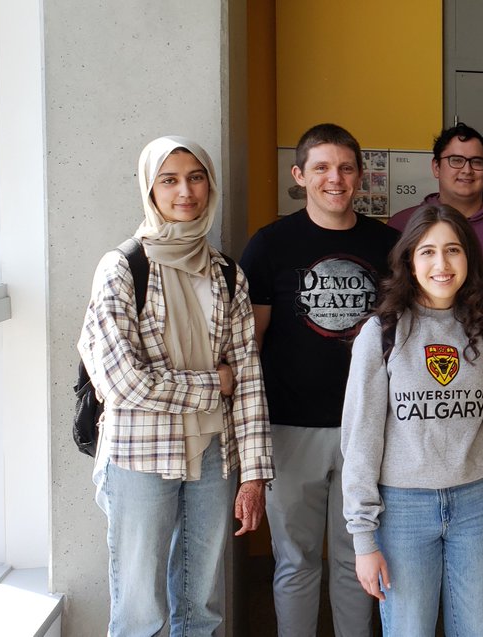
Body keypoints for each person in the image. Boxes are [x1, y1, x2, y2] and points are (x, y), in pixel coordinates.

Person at [79, 136, 274, 636]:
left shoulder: (228, 273)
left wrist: (253, 476)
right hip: (140, 457)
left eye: (196, 177)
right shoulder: (122, 268)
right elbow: (125, 384)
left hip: (214, 456)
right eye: (169, 179)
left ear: (210, 185)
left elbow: (247, 377)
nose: (184, 191)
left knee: (202, 608)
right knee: (140, 613)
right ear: (150, 188)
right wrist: (214, 385)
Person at [341, 205, 483, 636]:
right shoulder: (381, 332)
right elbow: (361, 440)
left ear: (470, 259)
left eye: (453, 251)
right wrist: (363, 539)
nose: (441, 264)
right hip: (402, 510)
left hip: (478, 506)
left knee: (476, 629)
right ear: (409, 260)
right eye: (427, 252)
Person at [240, 123, 400, 637]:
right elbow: (251, 345)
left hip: (371, 431)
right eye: (323, 167)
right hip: (291, 427)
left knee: (360, 557)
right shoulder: (269, 245)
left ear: (360, 176)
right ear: (300, 175)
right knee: (295, 560)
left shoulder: (390, 245)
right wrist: (254, 439)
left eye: (347, 167)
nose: (336, 178)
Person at [387, 122, 483, 261]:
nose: (467, 170)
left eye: (476, 162)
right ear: (436, 167)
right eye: (456, 160)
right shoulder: (402, 224)